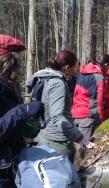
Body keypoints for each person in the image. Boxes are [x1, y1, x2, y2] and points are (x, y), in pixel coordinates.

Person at [27, 50, 94, 163]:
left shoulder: (43, 77)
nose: (76, 70)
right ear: (67, 68)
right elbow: (57, 117)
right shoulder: (57, 84)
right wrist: (79, 137)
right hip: (57, 143)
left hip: (43, 136)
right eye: (74, 67)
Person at [0, 34, 42, 188]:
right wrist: (22, 110)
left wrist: (23, 137)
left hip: (11, 161)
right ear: (7, 61)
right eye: (17, 59)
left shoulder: (8, 84)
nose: (20, 64)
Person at [71, 54, 109, 140]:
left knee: (77, 143)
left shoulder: (82, 72)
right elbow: (99, 100)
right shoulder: (98, 76)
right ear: (105, 64)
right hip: (87, 116)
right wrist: (101, 117)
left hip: (75, 113)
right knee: (84, 146)